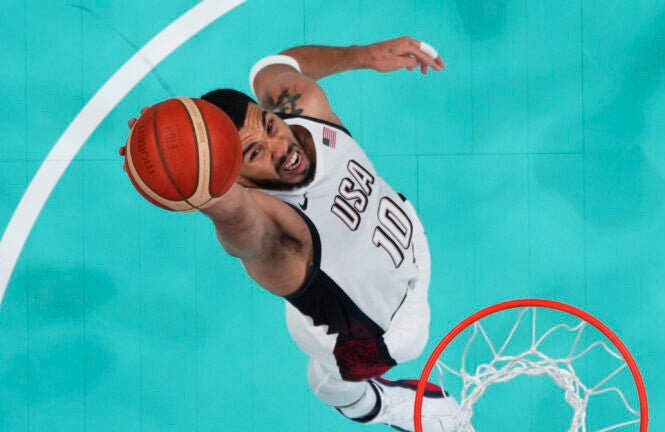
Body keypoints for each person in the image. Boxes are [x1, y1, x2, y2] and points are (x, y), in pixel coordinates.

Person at [127, 36, 457, 431]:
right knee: (332, 381)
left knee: (325, 370)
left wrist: (363, 55)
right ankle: (379, 406)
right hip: (379, 334)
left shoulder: (303, 107)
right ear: (235, 178)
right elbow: (228, 210)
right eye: (254, 154)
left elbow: (271, 64)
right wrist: (176, 166)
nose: (280, 146)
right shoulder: (273, 234)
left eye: (268, 125)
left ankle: (364, 398)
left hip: (411, 244)